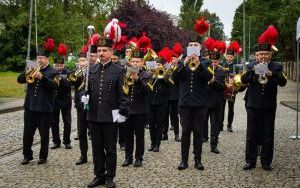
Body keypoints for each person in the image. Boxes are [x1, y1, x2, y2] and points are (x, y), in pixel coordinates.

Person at [241, 25, 287, 171]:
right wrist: (252, 71)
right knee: (251, 134)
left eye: (266, 54)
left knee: (268, 134)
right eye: (261, 54)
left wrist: (271, 74)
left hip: (268, 106)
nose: (263, 56)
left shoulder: (276, 67)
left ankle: (266, 161)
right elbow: (243, 80)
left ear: (270, 55)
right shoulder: (251, 66)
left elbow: (283, 82)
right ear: (256, 55)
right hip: (253, 105)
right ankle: (250, 161)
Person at [86, 35, 128, 188]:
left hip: (111, 116)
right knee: (97, 149)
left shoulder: (119, 70)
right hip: (94, 115)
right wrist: (84, 99)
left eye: (104, 50)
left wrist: (122, 114)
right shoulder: (91, 70)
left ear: (111, 51)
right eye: (99, 50)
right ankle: (99, 176)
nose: (101, 53)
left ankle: (110, 176)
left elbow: (124, 95)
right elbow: (86, 91)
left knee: (110, 149)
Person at [173, 36, 213, 171]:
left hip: (200, 103)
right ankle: (184, 160)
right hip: (184, 103)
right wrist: (184, 64)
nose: (193, 47)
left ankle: (198, 160)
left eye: (196, 45)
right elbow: (174, 78)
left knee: (198, 132)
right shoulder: (181, 61)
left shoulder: (206, 62)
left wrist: (199, 65)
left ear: (200, 47)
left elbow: (209, 77)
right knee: (185, 132)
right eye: (190, 45)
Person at [17, 39, 58, 165]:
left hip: (45, 108)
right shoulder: (32, 69)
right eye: (38, 58)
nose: (39, 60)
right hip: (30, 106)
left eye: (42, 58)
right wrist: (26, 72)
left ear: (47, 59)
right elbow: (19, 80)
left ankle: (43, 156)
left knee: (44, 134)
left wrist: (42, 77)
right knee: (27, 133)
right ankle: (27, 155)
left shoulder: (53, 72)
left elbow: (54, 87)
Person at [121, 49, 150, 167]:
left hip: (140, 111)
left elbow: (147, 91)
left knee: (139, 136)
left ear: (142, 63)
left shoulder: (146, 75)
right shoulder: (125, 74)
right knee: (127, 136)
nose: (135, 64)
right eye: (133, 61)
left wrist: (137, 79)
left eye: (137, 61)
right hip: (128, 110)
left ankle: (139, 157)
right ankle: (128, 157)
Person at [204, 47, 226, 154]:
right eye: (212, 61)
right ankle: (203, 139)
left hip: (216, 102)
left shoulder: (222, 71)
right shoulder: (204, 70)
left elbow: (223, 86)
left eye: (216, 61)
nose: (213, 63)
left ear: (218, 62)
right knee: (202, 123)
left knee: (215, 125)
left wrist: (214, 81)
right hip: (205, 101)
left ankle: (214, 145)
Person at [50, 57, 72, 150]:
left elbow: (69, 85)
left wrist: (61, 79)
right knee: (54, 122)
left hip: (65, 99)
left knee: (67, 121)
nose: (59, 67)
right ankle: (56, 141)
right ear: (54, 65)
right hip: (54, 100)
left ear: (63, 65)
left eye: (61, 65)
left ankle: (67, 141)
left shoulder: (68, 72)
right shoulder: (51, 72)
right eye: (57, 65)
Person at [221, 45, 240, 132]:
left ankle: (229, 125)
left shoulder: (236, 66)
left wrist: (235, 84)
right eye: (228, 56)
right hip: (223, 88)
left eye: (231, 57)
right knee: (222, 108)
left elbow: (239, 77)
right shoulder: (222, 64)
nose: (229, 58)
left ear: (233, 57)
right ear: (226, 56)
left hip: (232, 89)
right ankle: (220, 125)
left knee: (231, 108)